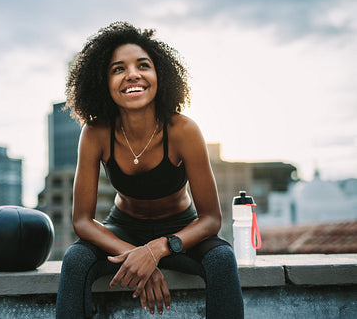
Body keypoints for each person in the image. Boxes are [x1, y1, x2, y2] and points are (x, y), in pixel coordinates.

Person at [56, 22, 244, 318]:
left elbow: (210, 220)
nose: (132, 74)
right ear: (103, 82)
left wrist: (157, 249)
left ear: (160, 76)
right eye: (118, 69)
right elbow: (82, 221)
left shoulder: (183, 130)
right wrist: (136, 256)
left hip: (181, 230)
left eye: (143, 65)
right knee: (76, 259)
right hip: (123, 227)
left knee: (222, 258)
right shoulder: (95, 132)